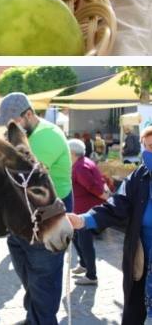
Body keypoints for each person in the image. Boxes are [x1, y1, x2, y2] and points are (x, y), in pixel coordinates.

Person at [0, 92, 73, 325]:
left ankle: (42, 320)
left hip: (48, 219)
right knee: (32, 281)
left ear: (28, 114)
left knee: (44, 283)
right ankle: (34, 318)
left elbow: (22, 173)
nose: (12, 133)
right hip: (25, 220)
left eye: (15, 126)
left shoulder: (45, 136)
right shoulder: (26, 136)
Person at [68, 124, 152, 324]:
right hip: (142, 262)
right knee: (136, 312)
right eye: (147, 147)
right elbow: (116, 206)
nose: (150, 152)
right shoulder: (139, 177)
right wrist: (84, 220)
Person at [68, 138, 109, 287]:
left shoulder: (80, 167)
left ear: (72, 153)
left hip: (86, 211)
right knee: (76, 238)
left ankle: (91, 276)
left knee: (85, 243)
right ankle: (84, 264)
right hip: (80, 210)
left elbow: (92, 186)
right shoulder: (82, 162)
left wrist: (104, 195)